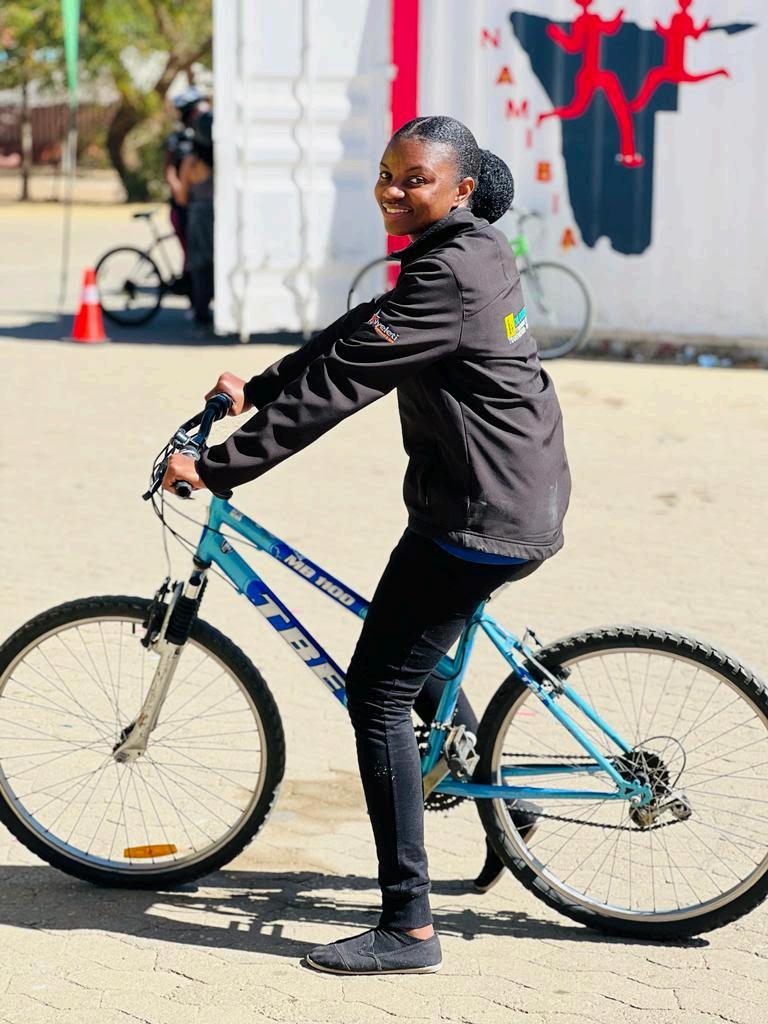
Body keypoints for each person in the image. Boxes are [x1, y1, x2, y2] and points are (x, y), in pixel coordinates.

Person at [163, 115, 571, 974]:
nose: (392, 190)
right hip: (503, 495)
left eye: (415, 178)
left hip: (480, 516)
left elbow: (344, 383)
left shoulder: (447, 272)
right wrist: (259, 386)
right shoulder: (467, 250)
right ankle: (508, 803)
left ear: (461, 188)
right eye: (387, 173)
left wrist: (220, 467)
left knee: (378, 690)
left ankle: (408, 927)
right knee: (415, 655)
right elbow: (361, 330)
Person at [173, 111, 214, 328]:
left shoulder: (191, 161)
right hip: (219, 216)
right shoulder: (221, 159)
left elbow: (181, 197)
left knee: (199, 265)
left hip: (198, 215)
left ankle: (201, 312)